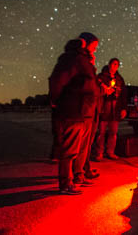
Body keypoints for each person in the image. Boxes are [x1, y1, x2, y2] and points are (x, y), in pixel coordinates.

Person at [49, 32, 102, 195]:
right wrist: (56, 100)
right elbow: (57, 80)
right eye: (93, 47)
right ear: (84, 43)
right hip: (73, 109)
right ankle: (66, 183)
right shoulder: (72, 58)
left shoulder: (83, 59)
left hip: (84, 111)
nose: (95, 51)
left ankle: (77, 176)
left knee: (80, 148)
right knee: (70, 148)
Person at [94, 58, 127, 161]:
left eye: (117, 64)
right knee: (101, 133)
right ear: (109, 65)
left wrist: (123, 108)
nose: (115, 66)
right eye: (113, 64)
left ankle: (110, 152)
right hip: (104, 108)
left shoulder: (119, 79)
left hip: (115, 109)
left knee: (113, 133)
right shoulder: (101, 77)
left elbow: (123, 95)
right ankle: (99, 153)